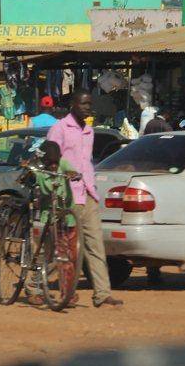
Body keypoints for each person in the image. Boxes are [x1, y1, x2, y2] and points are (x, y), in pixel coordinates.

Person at [46, 90, 123, 308]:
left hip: (88, 193)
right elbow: (51, 158)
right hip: (67, 194)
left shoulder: (89, 131)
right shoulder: (60, 128)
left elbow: (86, 161)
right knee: (65, 247)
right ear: (73, 104)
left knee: (95, 245)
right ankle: (48, 286)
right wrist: (64, 172)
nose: (87, 108)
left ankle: (102, 294)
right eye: (83, 104)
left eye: (90, 104)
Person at [24, 140, 79, 306]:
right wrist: (34, 173)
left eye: (56, 163)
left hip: (67, 217)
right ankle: (33, 288)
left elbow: (71, 170)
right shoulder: (40, 168)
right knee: (43, 254)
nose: (54, 166)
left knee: (68, 256)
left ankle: (67, 293)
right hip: (47, 216)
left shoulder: (63, 163)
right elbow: (39, 184)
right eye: (51, 164)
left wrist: (73, 174)